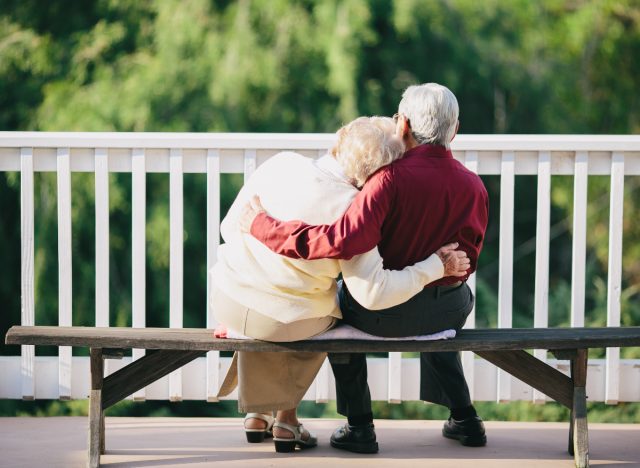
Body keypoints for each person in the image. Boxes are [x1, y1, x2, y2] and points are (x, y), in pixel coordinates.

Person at [241, 83, 490, 452]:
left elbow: (338, 240)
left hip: (382, 315)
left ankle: (359, 426)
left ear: (402, 125)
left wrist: (261, 225)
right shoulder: (474, 186)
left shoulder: (385, 182)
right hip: (448, 309)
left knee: (340, 306)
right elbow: (465, 260)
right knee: (444, 309)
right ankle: (466, 419)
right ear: (454, 130)